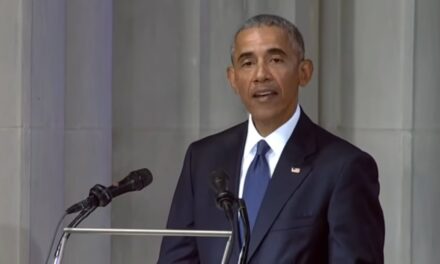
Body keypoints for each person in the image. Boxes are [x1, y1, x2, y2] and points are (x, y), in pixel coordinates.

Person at [158, 14, 385, 263]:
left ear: (304, 72)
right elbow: (177, 258)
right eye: (247, 63)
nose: (261, 75)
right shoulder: (203, 159)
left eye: (275, 60)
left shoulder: (343, 167)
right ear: (232, 79)